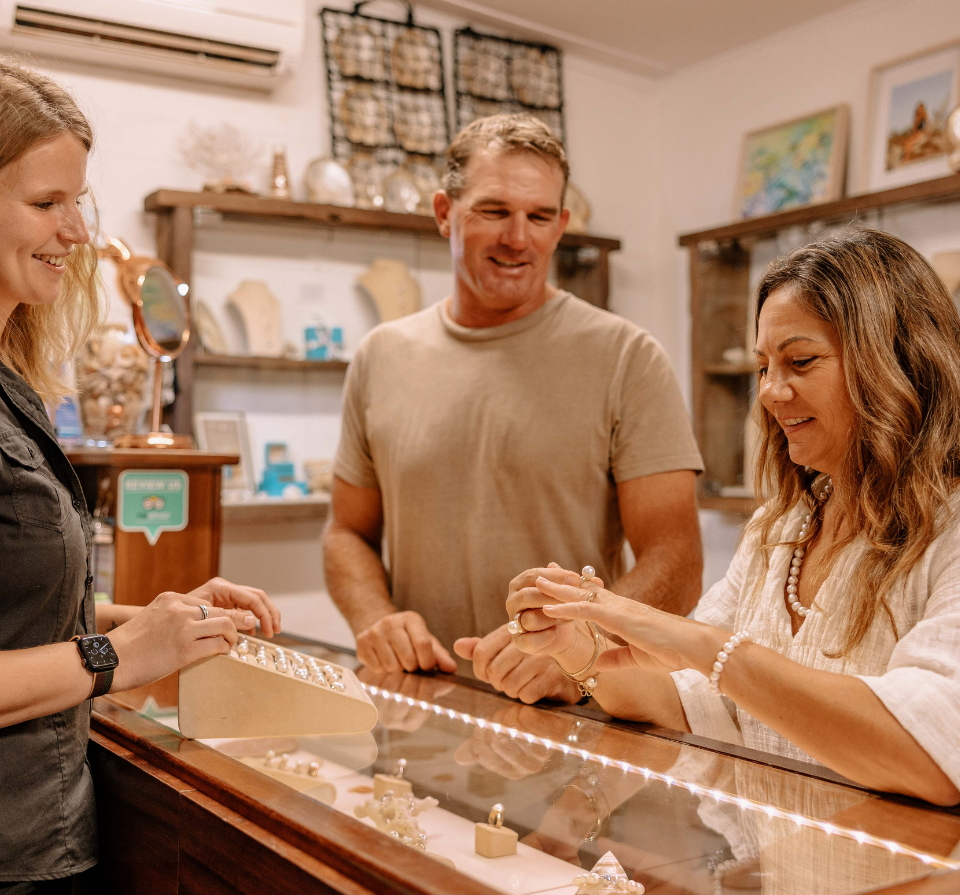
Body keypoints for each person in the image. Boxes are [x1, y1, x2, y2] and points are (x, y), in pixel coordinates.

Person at [0, 52, 281, 895]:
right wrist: (111, 661)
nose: (76, 233)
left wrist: (153, 621)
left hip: (17, 857)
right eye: (44, 203)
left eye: (78, 201)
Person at [508, 228, 960, 806]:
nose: (771, 392)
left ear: (894, 359)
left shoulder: (945, 530)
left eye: (800, 361)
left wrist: (696, 642)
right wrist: (573, 643)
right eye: (764, 366)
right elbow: (689, 700)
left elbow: (931, 753)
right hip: (791, 893)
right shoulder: (783, 527)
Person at [325, 113, 704, 705]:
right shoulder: (381, 355)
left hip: (571, 712)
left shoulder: (626, 356)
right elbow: (346, 531)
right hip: (424, 707)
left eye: (539, 216)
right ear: (445, 213)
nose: (518, 238)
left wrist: (587, 648)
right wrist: (375, 618)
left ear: (561, 227)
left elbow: (675, 557)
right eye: (494, 211)